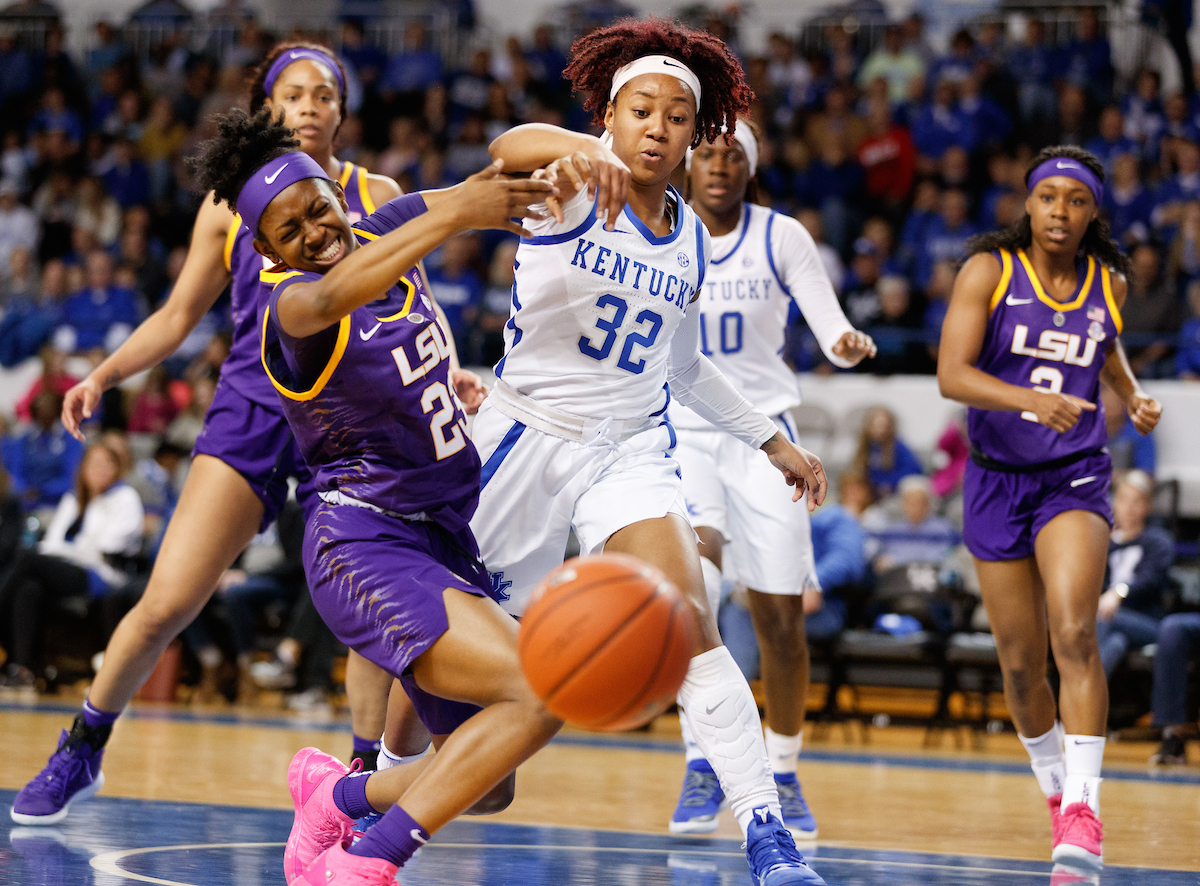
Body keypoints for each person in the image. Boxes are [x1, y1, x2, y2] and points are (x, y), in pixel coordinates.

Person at [10, 41, 425, 827]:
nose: (309, 106)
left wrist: (454, 376)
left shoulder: (379, 193)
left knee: (373, 611)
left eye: (324, 95)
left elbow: (416, 307)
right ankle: (84, 745)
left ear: (342, 112)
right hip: (254, 410)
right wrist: (102, 376)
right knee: (167, 600)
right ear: (267, 108)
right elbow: (175, 317)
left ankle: (362, 784)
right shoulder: (226, 205)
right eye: (293, 93)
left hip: (352, 418)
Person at [476, 18, 829, 885]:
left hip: (627, 450)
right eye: (641, 111)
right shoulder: (569, 182)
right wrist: (577, 148)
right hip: (524, 441)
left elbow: (686, 366)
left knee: (691, 625)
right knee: (484, 770)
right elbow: (506, 145)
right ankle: (370, 777)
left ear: (697, 134)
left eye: (677, 117)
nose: (658, 128)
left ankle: (767, 836)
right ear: (610, 116)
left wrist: (769, 439)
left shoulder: (689, 236)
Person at [194, 105, 559, 886]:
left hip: (440, 537)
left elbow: (495, 177)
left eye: (318, 207)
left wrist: (589, 162)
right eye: (289, 230)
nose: (314, 232)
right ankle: (369, 859)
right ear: (266, 251)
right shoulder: (292, 306)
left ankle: (336, 794)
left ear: (338, 192)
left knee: (488, 784)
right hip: (362, 542)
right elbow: (341, 293)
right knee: (539, 690)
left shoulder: (385, 226)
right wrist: (455, 214)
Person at [938, 145, 1162, 870]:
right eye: (1048, 197)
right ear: (1028, 204)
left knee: (1075, 631)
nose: (1060, 211)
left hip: (1074, 476)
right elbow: (951, 375)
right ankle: (1057, 792)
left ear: (1093, 212)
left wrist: (1130, 394)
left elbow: (1104, 344)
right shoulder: (989, 271)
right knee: (1019, 663)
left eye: (1076, 200)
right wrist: (1031, 399)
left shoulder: (1109, 283)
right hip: (996, 479)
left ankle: (1086, 810)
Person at [665, 116, 875, 841]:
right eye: (708, 153)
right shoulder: (663, 230)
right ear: (689, 164)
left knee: (781, 619)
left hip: (767, 437)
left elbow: (831, 328)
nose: (719, 165)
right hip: (686, 430)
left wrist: (845, 344)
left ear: (749, 168)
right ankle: (702, 762)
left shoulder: (780, 236)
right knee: (696, 593)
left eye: (732, 155)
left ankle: (782, 770)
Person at [0, 443, 143, 693]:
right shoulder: (73, 498)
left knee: (29, 559)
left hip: (103, 576)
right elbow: (52, 541)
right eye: (94, 464)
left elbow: (107, 546)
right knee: (29, 588)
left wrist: (70, 550)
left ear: (117, 469)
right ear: (83, 468)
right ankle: (22, 670)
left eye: (106, 464)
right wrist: (71, 550)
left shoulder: (125, 498)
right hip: (66, 569)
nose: (100, 470)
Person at [1096, 470, 1174, 677]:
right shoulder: (1106, 544)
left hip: (1146, 621)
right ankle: (1092, 693)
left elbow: (1149, 580)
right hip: (1109, 622)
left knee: (1103, 618)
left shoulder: (1157, 541)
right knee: (1116, 643)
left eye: (1136, 501)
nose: (1129, 508)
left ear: (1148, 506)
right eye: (1123, 499)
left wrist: (1118, 593)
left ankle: (1076, 692)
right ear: (1114, 503)